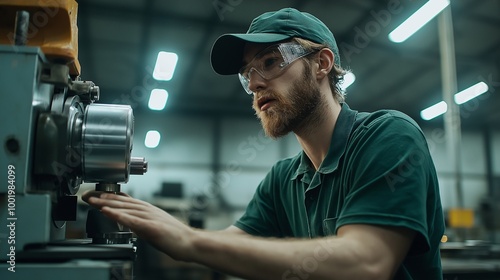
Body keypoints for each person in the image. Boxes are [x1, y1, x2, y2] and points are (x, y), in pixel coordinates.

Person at [84, 7, 445, 280]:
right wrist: (168, 231)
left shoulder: (389, 136)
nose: (254, 84)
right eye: (246, 75)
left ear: (322, 64)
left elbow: (368, 261)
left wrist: (189, 241)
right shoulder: (283, 180)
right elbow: (232, 246)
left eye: (270, 62)